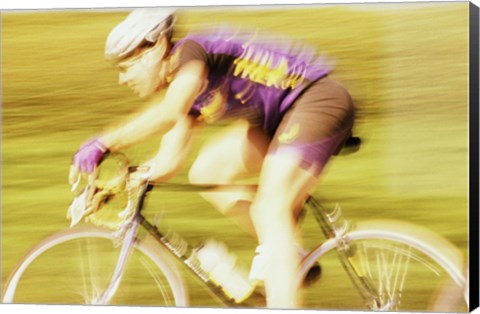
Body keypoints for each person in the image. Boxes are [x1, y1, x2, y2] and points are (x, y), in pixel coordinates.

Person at [69, 7, 355, 308]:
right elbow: (167, 162)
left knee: (270, 207)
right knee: (206, 172)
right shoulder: (182, 87)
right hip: (280, 120)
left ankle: (281, 255)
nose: (121, 80)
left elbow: (169, 113)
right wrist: (112, 187)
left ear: (155, 49)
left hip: (317, 100)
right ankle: (285, 249)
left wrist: (103, 143)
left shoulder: (190, 53)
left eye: (126, 67)